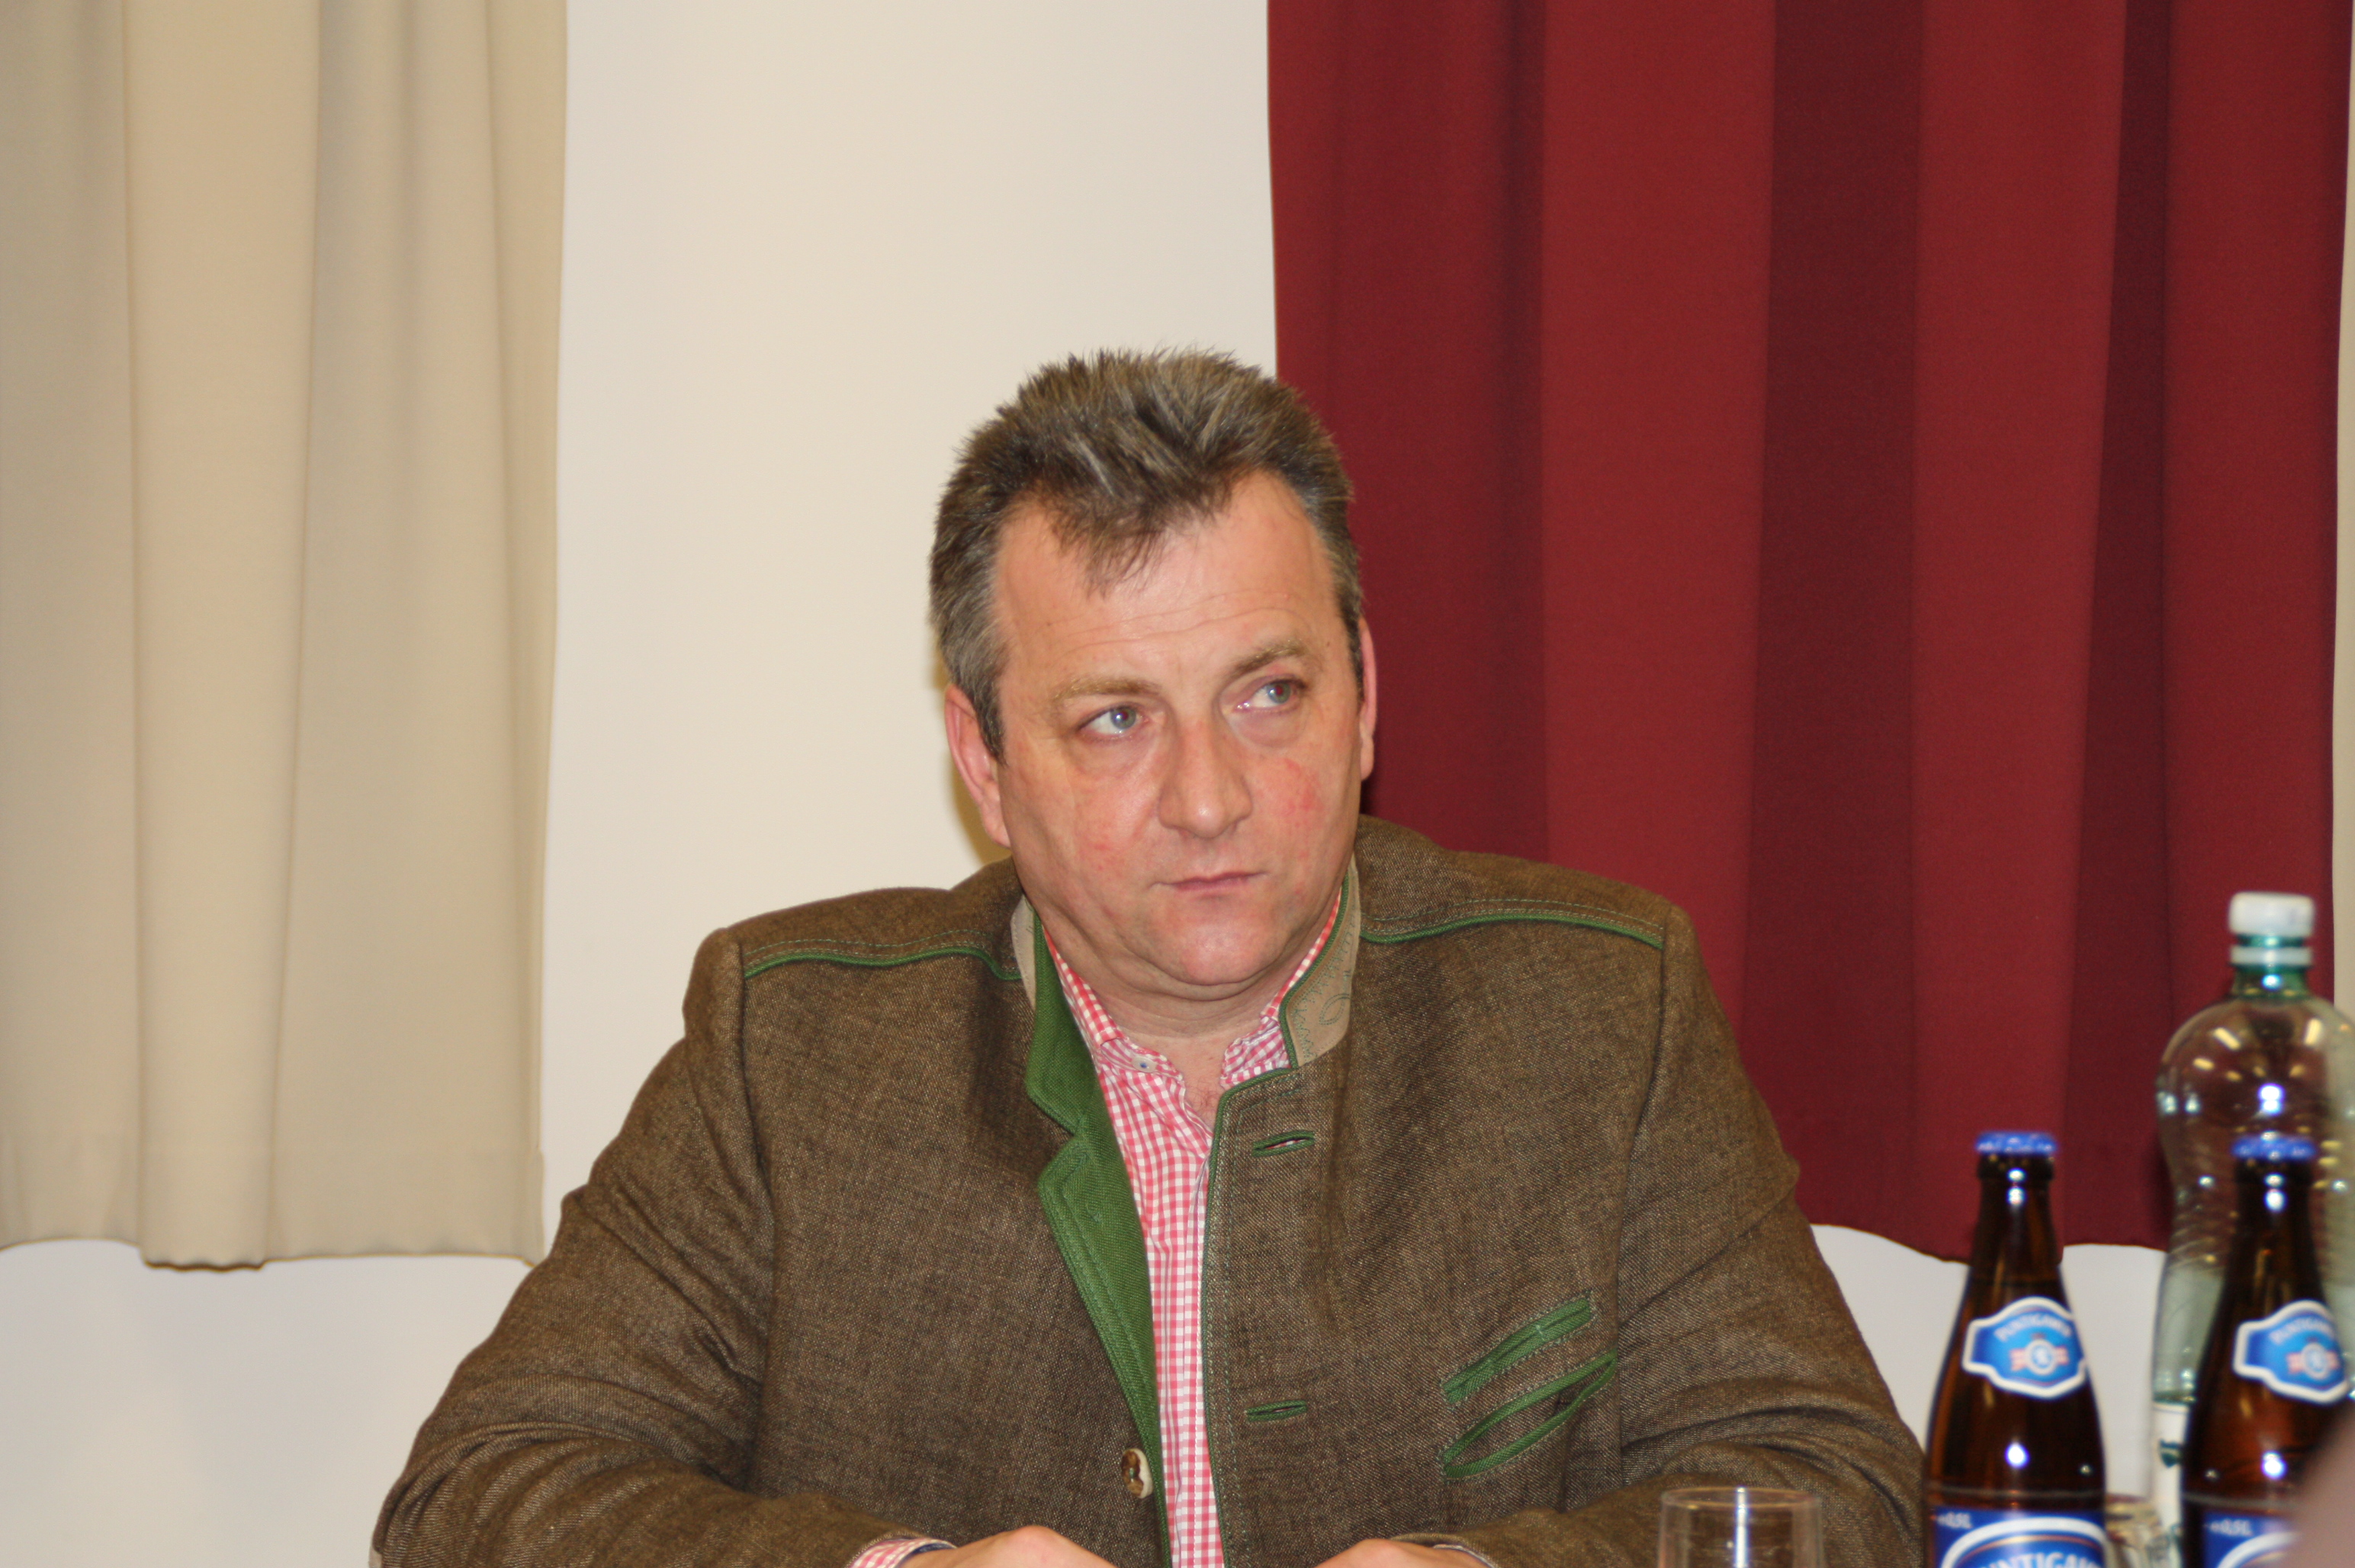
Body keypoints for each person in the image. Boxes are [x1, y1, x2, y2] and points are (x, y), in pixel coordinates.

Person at [374, 350, 1923, 1568]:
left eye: (1266, 694)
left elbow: (1836, 1487)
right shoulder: (789, 1050)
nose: (1207, 796)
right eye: (1116, 718)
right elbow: (482, 1494)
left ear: (1364, 695)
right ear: (983, 761)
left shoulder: (1599, 1009)